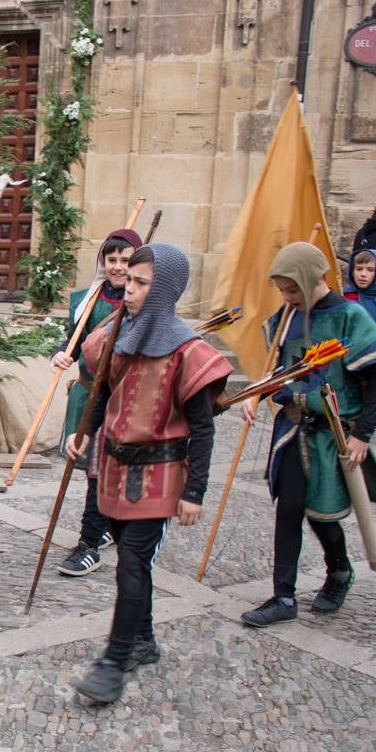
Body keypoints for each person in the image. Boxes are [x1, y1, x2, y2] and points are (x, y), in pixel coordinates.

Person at [64, 244, 231, 703]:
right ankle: (143, 641)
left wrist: (194, 491)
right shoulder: (117, 331)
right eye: (129, 280)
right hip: (115, 466)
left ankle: (113, 664)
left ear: (165, 290)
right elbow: (100, 389)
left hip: (160, 475)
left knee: (133, 564)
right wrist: (86, 430)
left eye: (140, 283)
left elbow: (202, 429)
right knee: (132, 562)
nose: (129, 288)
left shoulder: (189, 351)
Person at [240, 242, 376, 629]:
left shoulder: (350, 316)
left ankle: (339, 571)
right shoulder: (286, 316)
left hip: (333, 434)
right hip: (293, 429)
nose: (286, 297)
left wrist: (363, 434)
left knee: (323, 515)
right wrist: (258, 395)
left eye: (292, 289)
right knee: (289, 508)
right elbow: (280, 369)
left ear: (312, 279)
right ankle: (283, 596)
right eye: (281, 290)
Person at [49, 227, 142, 576]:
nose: (118, 266)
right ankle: (102, 527)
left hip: (123, 398)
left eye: (126, 259)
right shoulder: (87, 299)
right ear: (102, 261)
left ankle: (90, 543)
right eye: (112, 259)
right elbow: (71, 343)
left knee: (101, 470)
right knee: (91, 465)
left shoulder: (142, 302)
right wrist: (61, 356)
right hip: (89, 393)